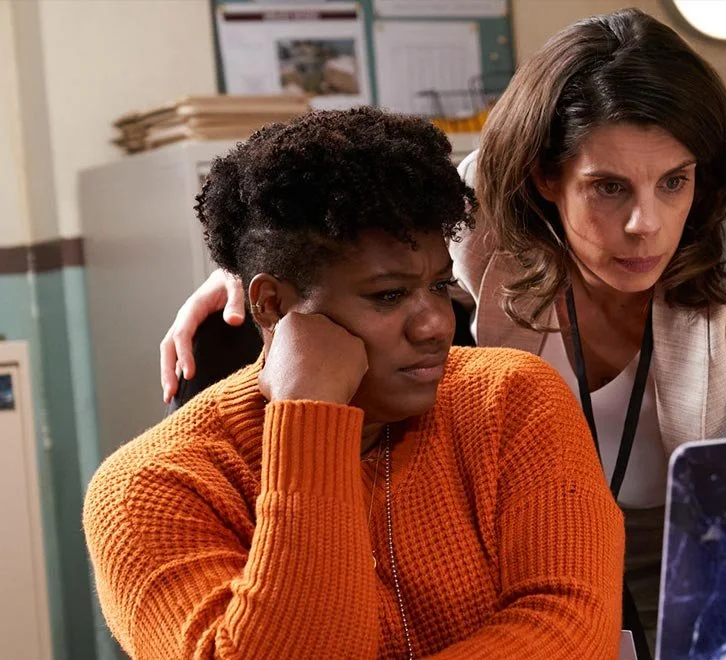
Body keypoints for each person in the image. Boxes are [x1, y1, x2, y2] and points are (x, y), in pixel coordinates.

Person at [156, 8, 726, 651]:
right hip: (524, 541)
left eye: (674, 182)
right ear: (543, 177)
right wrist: (260, 278)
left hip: (690, 538)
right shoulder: (477, 218)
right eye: (609, 187)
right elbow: (353, 248)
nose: (645, 224)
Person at [84, 108, 625, 659]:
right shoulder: (148, 491)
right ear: (272, 305)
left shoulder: (510, 398)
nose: (436, 324)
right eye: (387, 295)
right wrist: (311, 420)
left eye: (439, 286)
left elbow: (573, 622)